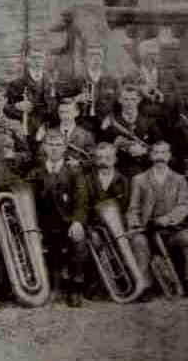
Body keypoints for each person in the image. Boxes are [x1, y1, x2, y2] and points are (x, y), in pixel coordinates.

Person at [126, 141, 188, 300]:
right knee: (139, 242)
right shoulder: (139, 179)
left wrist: (168, 219)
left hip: (173, 230)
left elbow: (184, 205)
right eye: (156, 153)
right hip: (147, 230)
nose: (160, 157)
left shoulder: (180, 179)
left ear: (169, 156)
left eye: (163, 153)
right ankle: (145, 286)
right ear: (151, 156)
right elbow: (133, 208)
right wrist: (135, 225)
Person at [26, 130, 89, 307]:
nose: (54, 149)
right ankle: (54, 287)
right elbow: (30, 204)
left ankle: (76, 288)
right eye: (51, 145)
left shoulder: (75, 172)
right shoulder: (36, 173)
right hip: (44, 225)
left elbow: (82, 200)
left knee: (79, 242)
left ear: (65, 148)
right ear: (44, 147)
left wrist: (77, 221)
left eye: (58, 145)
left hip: (68, 224)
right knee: (50, 251)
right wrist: (34, 228)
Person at [82, 142, 131, 299]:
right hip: (94, 225)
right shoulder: (86, 180)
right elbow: (82, 205)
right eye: (100, 157)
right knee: (95, 241)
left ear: (115, 159)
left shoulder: (124, 181)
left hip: (117, 226)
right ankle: (97, 284)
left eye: (108, 157)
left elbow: (126, 207)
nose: (104, 161)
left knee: (123, 242)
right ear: (95, 160)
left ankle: (124, 281)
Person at [123, 38, 183, 133]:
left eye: (157, 53)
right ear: (144, 56)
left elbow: (177, 99)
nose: (158, 56)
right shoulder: (132, 75)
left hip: (165, 123)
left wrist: (163, 98)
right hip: (141, 123)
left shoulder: (168, 75)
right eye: (153, 54)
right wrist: (140, 91)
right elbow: (125, 99)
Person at [100, 85, 161, 177]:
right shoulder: (111, 123)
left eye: (133, 99)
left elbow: (162, 148)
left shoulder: (150, 123)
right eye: (126, 99)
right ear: (120, 100)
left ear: (139, 100)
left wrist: (144, 151)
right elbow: (100, 150)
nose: (130, 103)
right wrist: (114, 147)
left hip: (144, 171)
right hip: (117, 173)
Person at [4, 49, 55, 153]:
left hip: (47, 130)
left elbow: (57, 107)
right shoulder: (16, 84)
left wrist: (45, 126)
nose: (37, 61)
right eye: (34, 57)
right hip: (25, 131)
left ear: (45, 59)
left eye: (40, 57)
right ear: (27, 60)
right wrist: (16, 106)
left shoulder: (52, 82)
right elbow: (5, 108)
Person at [74, 44, 120, 135]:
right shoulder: (78, 80)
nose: (96, 58)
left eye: (99, 55)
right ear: (85, 58)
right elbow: (64, 101)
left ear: (103, 59)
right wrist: (76, 99)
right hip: (83, 123)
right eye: (91, 55)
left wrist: (110, 117)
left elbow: (118, 105)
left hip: (106, 124)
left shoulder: (112, 80)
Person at [37, 99, 95, 170]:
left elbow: (94, 159)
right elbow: (39, 156)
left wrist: (79, 163)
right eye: (61, 112)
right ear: (58, 113)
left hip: (77, 176)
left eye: (68, 112)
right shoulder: (49, 133)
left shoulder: (86, 135)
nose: (65, 115)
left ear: (77, 113)